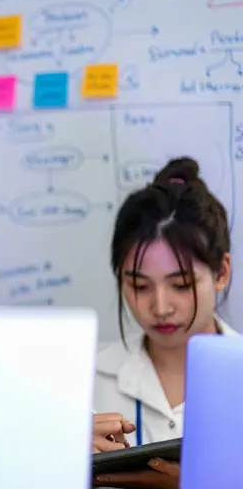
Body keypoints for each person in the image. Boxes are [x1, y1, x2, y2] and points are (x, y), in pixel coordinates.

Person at [92, 157, 236, 489]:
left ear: (221, 272)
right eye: (139, 286)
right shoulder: (81, 379)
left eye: (181, 284)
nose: (160, 307)